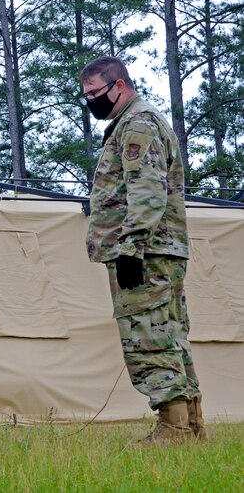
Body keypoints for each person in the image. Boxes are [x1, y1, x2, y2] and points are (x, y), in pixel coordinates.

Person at [80, 56, 207, 443]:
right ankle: (192, 425)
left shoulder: (137, 124)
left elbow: (147, 189)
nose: (91, 102)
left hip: (147, 251)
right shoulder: (137, 122)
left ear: (119, 85)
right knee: (170, 334)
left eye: (95, 93)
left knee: (147, 336)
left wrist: (131, 246)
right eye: (85, 96)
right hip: (162, 249)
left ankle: (173, 428)